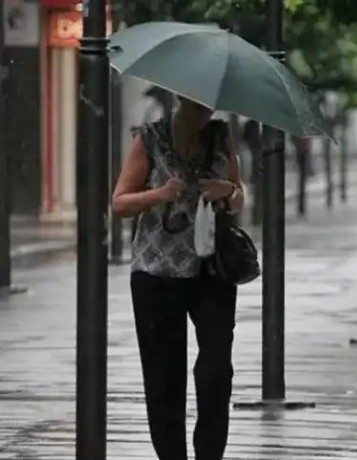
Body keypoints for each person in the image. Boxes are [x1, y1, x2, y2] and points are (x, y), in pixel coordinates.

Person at [111, 96, 245, 460]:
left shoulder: (221, 137)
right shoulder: (150, 138)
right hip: (157, 273)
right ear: (180, 102)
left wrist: (227, 192)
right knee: (164, 378)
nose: (204, 114)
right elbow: (119, 203)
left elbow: (239, 197)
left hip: (211, 270)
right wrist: (160, 194)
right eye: (196, 107)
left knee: (216, 369)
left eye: (208, 107)